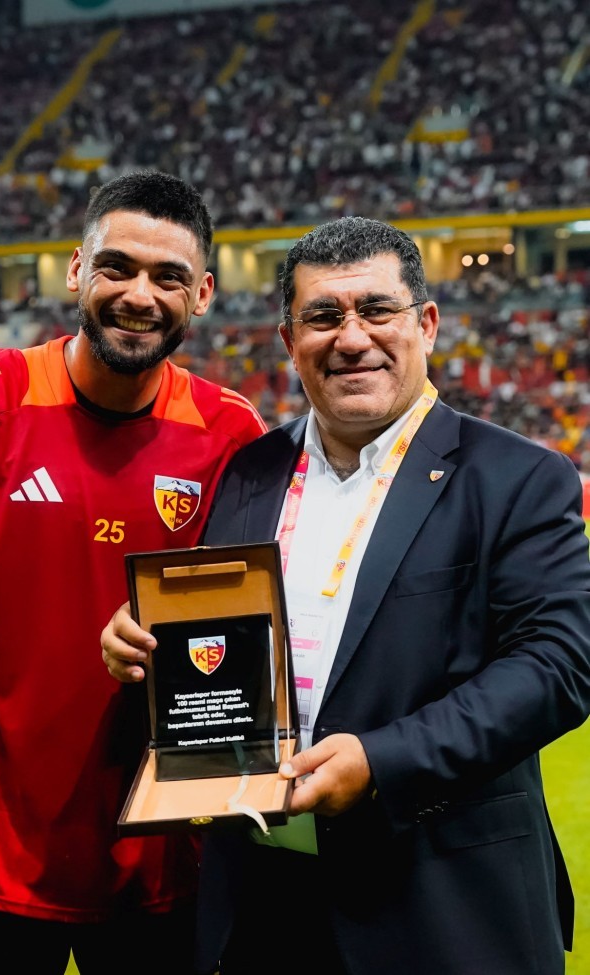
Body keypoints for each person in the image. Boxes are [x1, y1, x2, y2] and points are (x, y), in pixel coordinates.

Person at [101, 215, 590, 975]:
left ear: (426, 323)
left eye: (377, 310)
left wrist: (381, 760)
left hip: (441, 904)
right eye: (323, 316)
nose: (352, 337)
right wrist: (146, 645)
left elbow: (558, 666)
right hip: (264, 903)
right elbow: (222, 646)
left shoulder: (516, 476)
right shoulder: (249, 472)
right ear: (289, 339)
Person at [0, 170, 268, 975]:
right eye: (117, 267)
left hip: (165, 846)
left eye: (169, 277)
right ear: (76, 270)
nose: (139, 295)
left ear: (203, 293)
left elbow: (249, 627)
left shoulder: (231, 432)